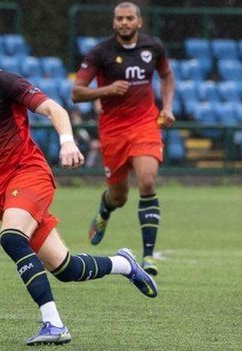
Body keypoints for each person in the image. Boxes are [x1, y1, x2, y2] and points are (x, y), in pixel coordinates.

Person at [0, 30, 158, 346]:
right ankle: (125, 264)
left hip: (27, 174)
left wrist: (67, 142)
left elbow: (54, 108)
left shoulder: (2, 82)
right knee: (66, 267)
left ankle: (53, 324)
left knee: (12, 239)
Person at [71, 1, 175, 276]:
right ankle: (105, 210)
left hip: (145, 124)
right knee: (119, 196)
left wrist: (167, 107)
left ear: (139, 22)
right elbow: (77, 92)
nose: (124, 23)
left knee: (148, 181)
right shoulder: (100, 52)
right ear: (114, 22)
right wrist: (106, 90)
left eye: (130, 18)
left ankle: (149, 256)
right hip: (113, 131)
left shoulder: (153, 47)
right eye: (120, 19)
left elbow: (166, 76)